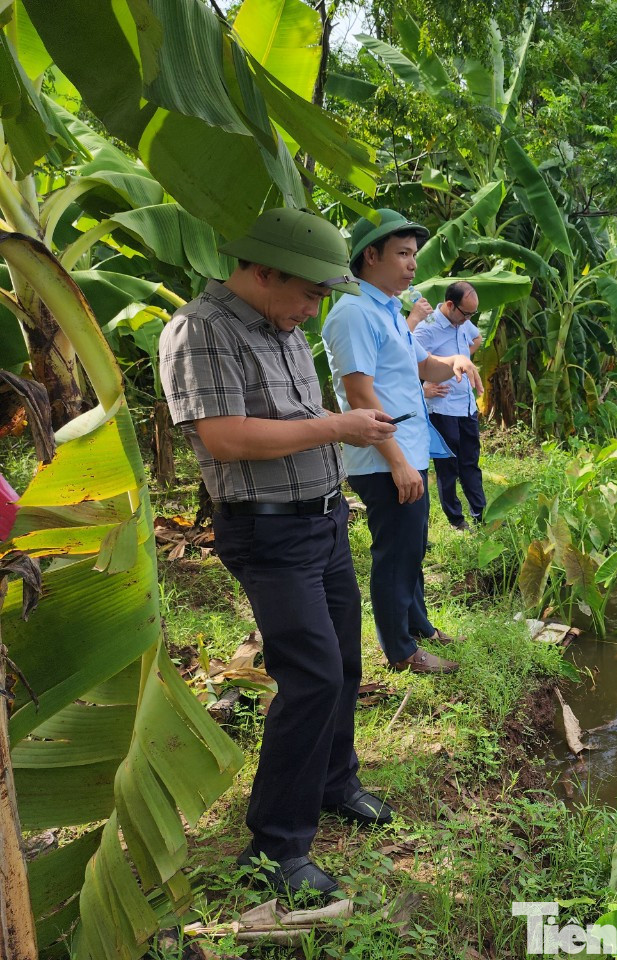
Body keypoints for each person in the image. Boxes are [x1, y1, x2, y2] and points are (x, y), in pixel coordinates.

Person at [158, 208, 404, 902]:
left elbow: (298, 419)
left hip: (322, 519)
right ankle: (274, 850)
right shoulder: (200, 330)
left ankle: (334, 782)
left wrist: (344, 434)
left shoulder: (285, 326)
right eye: (308, 293)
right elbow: (226, 438)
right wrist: (338, 425)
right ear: (261, 272)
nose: (312, 309)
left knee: (345, 663)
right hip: (268, 532)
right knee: (313, 675)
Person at [322, 209, 481, 676]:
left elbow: (420, 365)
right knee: (395, 554)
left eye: (414, 254)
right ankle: (401, 651)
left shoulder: (387, 310)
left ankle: (420, 626)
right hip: (382, 457)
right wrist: (395, 461)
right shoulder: (353, 312)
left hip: (409, 448)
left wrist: (452, 361)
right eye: (403, 254)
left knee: (413, 547)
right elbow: (359, 394)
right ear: (370, 256)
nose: (413, 265)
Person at [412, 281, 487, 529]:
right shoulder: (427, 328)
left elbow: (477, 339)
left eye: (472, 314)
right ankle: (456, 519)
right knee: (448, 467)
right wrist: (424, 386)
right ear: (449, 305)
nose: (469, 319)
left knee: (470, 463)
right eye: (466, 313)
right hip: (442, 408)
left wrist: (465, 356)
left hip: (466, 405)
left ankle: (481, 514)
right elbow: (407, 360)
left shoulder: (463, 323)